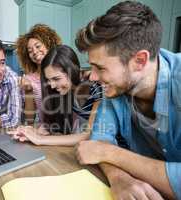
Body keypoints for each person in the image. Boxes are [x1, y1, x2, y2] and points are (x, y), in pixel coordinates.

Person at [74, 1, 181, 199]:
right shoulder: (115, 89)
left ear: (139, 60)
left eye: (100, 68)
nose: (92, 77)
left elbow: (102, 150)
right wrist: (118, 177)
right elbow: (99, 142)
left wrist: (113, 154)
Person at [9, 45, 102, 146]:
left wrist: (40, 139)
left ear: (72, 70)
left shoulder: (95, 87)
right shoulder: (67, 90)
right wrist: (34, 132)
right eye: (49, 80)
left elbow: (88, 135)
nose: (52, 85)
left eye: (56, 79)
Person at [16, 24, 61, 124]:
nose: (35, 52)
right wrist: (28, 91)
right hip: (45, 132)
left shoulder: (63, 71)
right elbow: (30, 119)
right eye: (30, 51)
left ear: (49, 44)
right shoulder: (29, 80)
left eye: (38, 46)